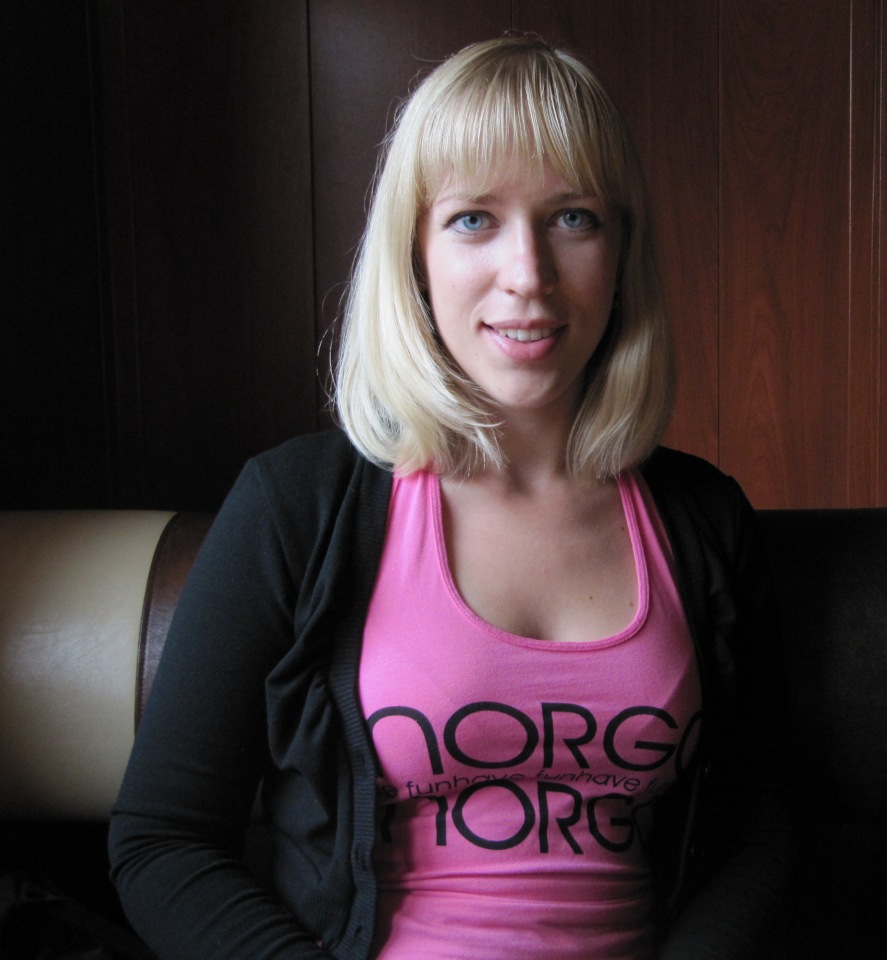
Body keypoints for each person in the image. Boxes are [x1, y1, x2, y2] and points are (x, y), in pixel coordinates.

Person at [109, 35, 791, 960]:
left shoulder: (704, 519)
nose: (529, 274)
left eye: (574, 218)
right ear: (416, 259)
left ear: (623, 252)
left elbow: (759, 832)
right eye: (475, 220)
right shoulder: (295, 507)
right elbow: (162, 842)